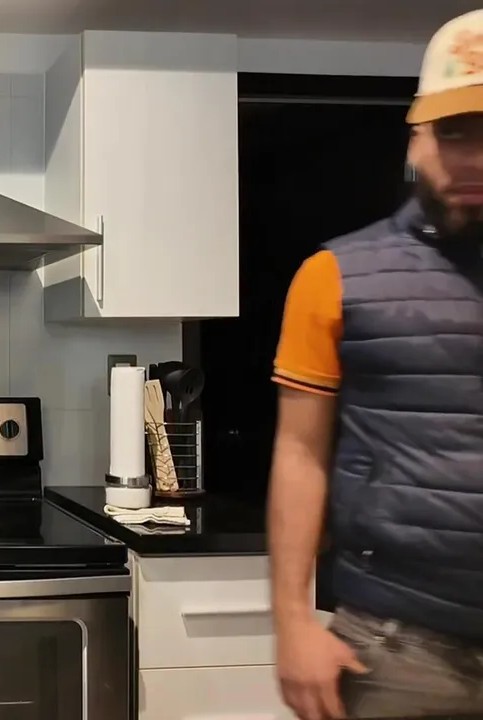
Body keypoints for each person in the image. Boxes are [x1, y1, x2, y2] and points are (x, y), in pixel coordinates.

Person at [268, 9, 483, 720]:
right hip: (396, 649)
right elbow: (299, 454)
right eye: (455, 132)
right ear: (417, 136)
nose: (475, 157)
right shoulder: (333, 276)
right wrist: (293, 622)